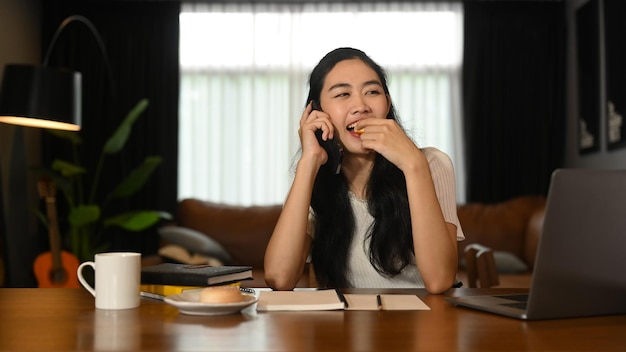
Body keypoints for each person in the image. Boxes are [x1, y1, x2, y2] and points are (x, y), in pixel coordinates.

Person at [264, 47, 464, 294]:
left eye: (372, 92)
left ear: (387, 104)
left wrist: (413, 165)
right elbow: (279, 278)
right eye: (342, 94)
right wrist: (308, 161)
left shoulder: (430, 164)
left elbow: (440, 280)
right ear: (317, 112)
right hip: (343, 329)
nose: (360, 106)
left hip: (420, 326)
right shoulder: (313, 177)